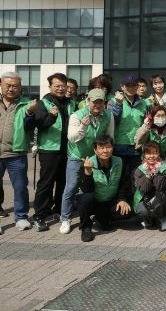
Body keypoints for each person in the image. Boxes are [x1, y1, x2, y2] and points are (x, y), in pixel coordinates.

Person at [25, 72, 76, 232]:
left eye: (63, 86)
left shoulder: (71, 103)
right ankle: (40, 215)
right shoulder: (43, 103)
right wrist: (52, 117)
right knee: (46, 183)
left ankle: (59, 210)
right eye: (57, 86)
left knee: (63, 182)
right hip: (49, 149)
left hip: (67, 149)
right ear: (50, 87)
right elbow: (39, 125)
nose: (61, 89)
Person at [60, 88, 114, 235]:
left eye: (100, 102)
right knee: (71, 186)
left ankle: (94, 215)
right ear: (88, 101)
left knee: (94, 188)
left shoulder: (108, 115)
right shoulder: (77, 115)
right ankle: (65, 218)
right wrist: (83, 126)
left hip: (95, 157)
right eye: (94, 101)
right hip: (77, 156)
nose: (97, 105)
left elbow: (109, 137)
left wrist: (105, 154)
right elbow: (72, 138)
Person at [77, 135, 132, 242]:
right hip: (94, 202)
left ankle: (102, 218)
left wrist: (122, 199)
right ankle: (86, 227)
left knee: (127, 211)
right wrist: (88, 172)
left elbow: (125, 183)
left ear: (113, 148)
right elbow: (86, 190)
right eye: (101, 148)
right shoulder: (87, 163)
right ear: (95, 150)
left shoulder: (120, 161)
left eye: (108, 147)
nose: (105, 151)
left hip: (110, 201)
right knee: (86, 198)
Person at [0, 72, 33, 231]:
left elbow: (31, 126)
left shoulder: (26, 105)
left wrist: (30, 113)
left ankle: (21, 217)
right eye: (8, 85)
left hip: (16, 153)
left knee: (20, 187)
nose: (11, 89)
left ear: (20, 88)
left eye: (15, 86)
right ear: (1, 85)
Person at [107, 75, 147, 174]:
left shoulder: (144, 104)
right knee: (119, 176)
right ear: (122, 87)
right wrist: (118, 104)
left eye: (133, 85)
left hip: (136, 146)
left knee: (135, 176)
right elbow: (112, 121)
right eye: (128, 85)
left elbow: (146, 124)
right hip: (119, 146)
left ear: (137, 86)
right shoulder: (113, 101)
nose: (131, 88)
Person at [132, 141, 166, 231]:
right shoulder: (140, 169)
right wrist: (147, 177)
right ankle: (148, 219)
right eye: (148, 153)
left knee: (161, 196)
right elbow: (144, 189)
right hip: (145, 197)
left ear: (159, 154)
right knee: (142, 210)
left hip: (162, 198)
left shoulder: (165, 167)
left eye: (155, 153)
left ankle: (163, 219)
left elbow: (160, 186)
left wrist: (157, 173)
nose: (151, 156)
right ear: (144, 155)